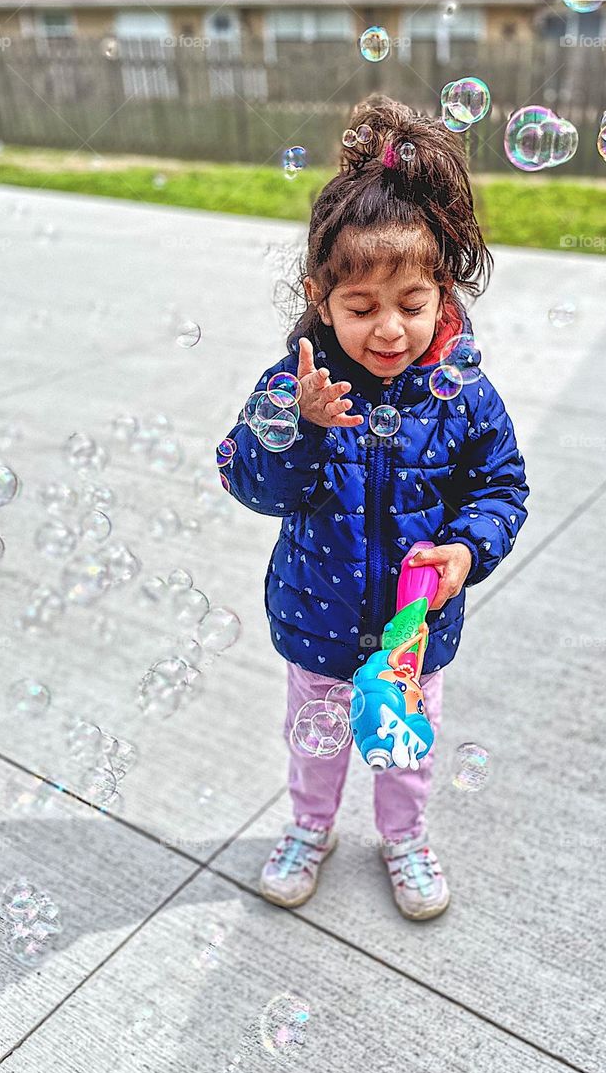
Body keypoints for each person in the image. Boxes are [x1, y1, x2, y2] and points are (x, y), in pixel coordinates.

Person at [218, 93, 529, 921]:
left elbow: (502, 488)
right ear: (321, 298)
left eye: (411, 305)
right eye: (360, 308)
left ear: (443, 295)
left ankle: (405, 840)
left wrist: (466, 552)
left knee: (403, 752)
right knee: (314, 747)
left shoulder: (462, 394)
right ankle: (309, 830)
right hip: (318, 622)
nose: (388, 329)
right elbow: (247, 480)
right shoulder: (299, 385)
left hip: (412, 630)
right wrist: (302, 433)